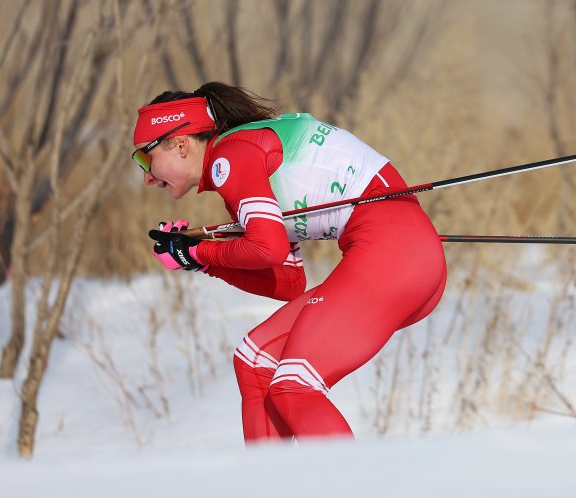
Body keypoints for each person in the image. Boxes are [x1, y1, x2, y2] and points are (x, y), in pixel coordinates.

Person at [133, 82, 447, 442]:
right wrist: (202, 261)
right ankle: (273, 493)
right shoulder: (237, 162)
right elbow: (287, 280)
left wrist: (198, 251)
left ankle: (355, 493)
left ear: (181, 143)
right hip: (403, 254)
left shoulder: (231, 156)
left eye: (145, 157)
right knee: (255, 364)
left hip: (396, 250)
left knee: (295, 385)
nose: (146, 176)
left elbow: (266, 248)